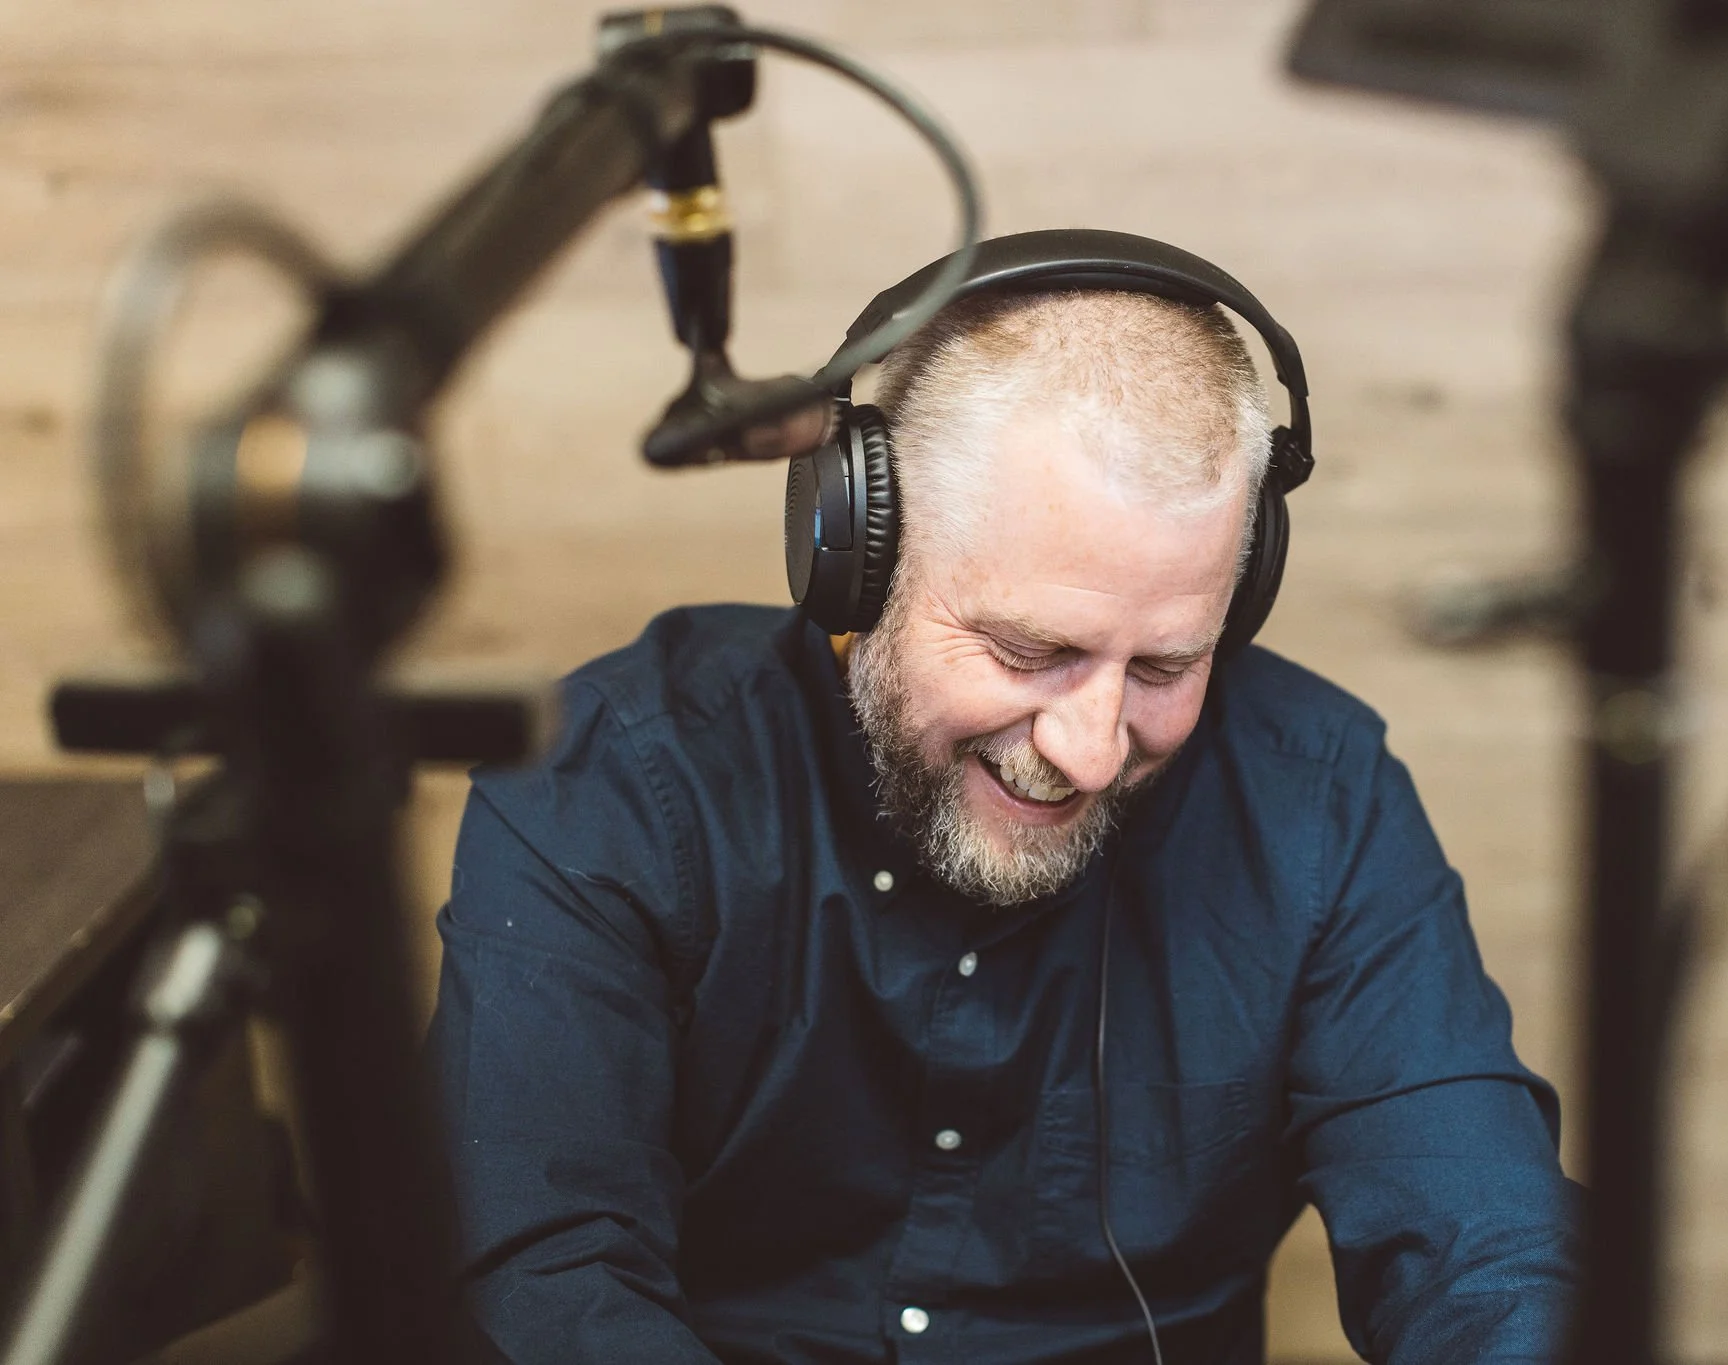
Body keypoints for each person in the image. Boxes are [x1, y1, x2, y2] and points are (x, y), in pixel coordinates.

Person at [425, 231, 1578, 1365]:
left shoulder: (1320, 799)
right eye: (1031, 650)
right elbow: (543, 1271)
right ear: (854, 566)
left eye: (1166, 667)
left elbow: (1483, 1240)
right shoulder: (619, 776)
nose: (1087, 750)